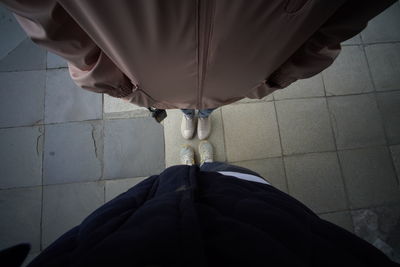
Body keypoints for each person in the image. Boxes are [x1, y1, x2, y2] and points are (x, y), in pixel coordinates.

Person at [1, 141, 398, 267]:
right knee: (235, 180)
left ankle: (196, 171)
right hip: (262, 226)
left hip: (150, 219)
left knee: (201, 180)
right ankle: (206, 169)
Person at [0, 0, 397, 122]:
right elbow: (49, 20)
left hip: (221, 82)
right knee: (186, 108)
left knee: (201, 110)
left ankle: (197, 117)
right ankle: (192, 117)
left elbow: (342, 19)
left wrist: (271, 78)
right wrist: (120, 83)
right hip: (153, 81)